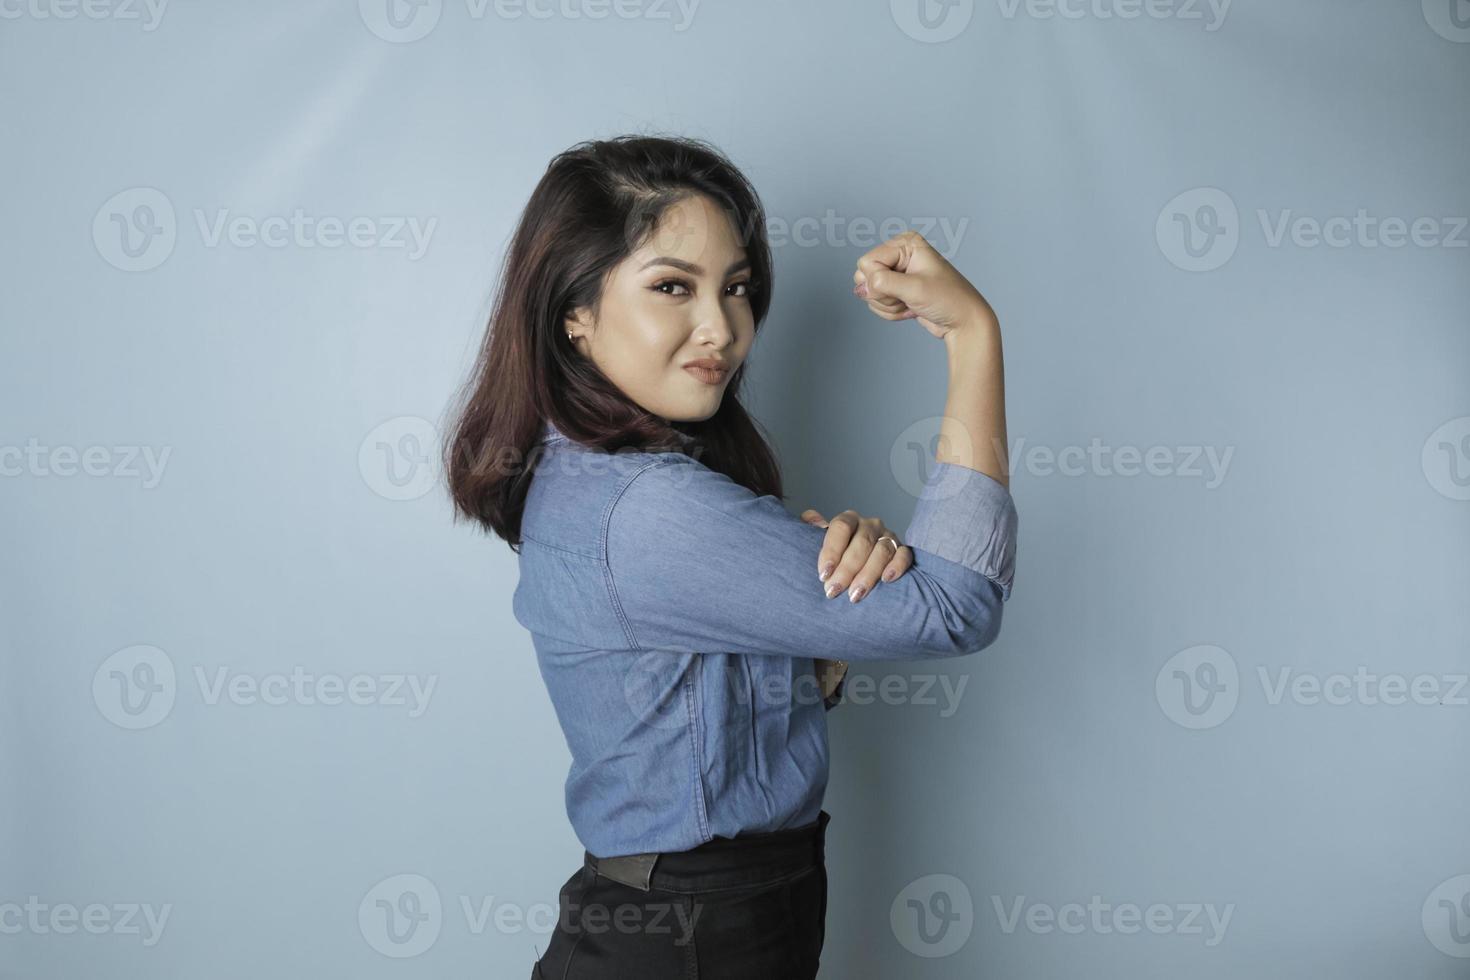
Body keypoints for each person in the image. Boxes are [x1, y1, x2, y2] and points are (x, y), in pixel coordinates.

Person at [442, 134, 1017, 980]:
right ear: (575, 311)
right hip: (688, 940)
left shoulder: (596, 480)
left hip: (700, 925)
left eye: (737, 288)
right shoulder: (648, 508)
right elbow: (956, 607)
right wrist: (972, 333)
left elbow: (688, 707)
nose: (723, 328)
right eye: (672, 286)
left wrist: (813, 639)